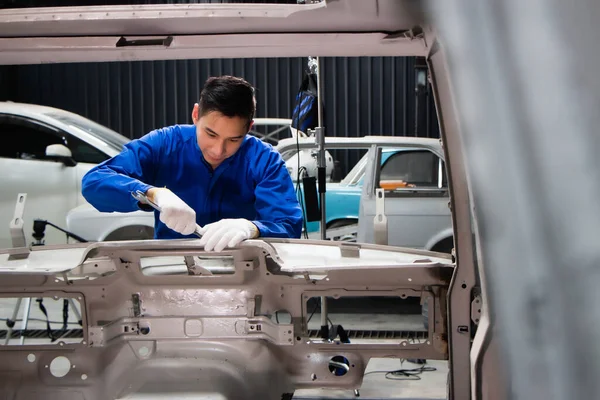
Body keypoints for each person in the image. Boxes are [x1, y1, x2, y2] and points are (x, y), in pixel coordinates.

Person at [81, 75, 303, 252]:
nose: (218, 150)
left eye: (234, 139)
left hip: (242, 274)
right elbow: (94, 182)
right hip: (171, 269)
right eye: (210, 134)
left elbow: (288, 224)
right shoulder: (165, 143)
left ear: (249, 127)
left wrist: (252, 228)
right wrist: (152, 194)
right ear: (196, 114)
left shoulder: (264, 160)